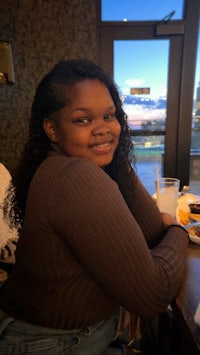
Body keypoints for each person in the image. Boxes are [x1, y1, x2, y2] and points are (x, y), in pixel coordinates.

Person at [0, 59, 188, 354]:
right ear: (52, 129)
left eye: (109, 117)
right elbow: (152, 296)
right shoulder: (73, 176)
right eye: (83, 120)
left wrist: (114, 159)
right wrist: (179, 228)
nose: (102, 129)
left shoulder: (69, 165)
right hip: (51, 343)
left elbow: (152, 230)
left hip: (77, 334)